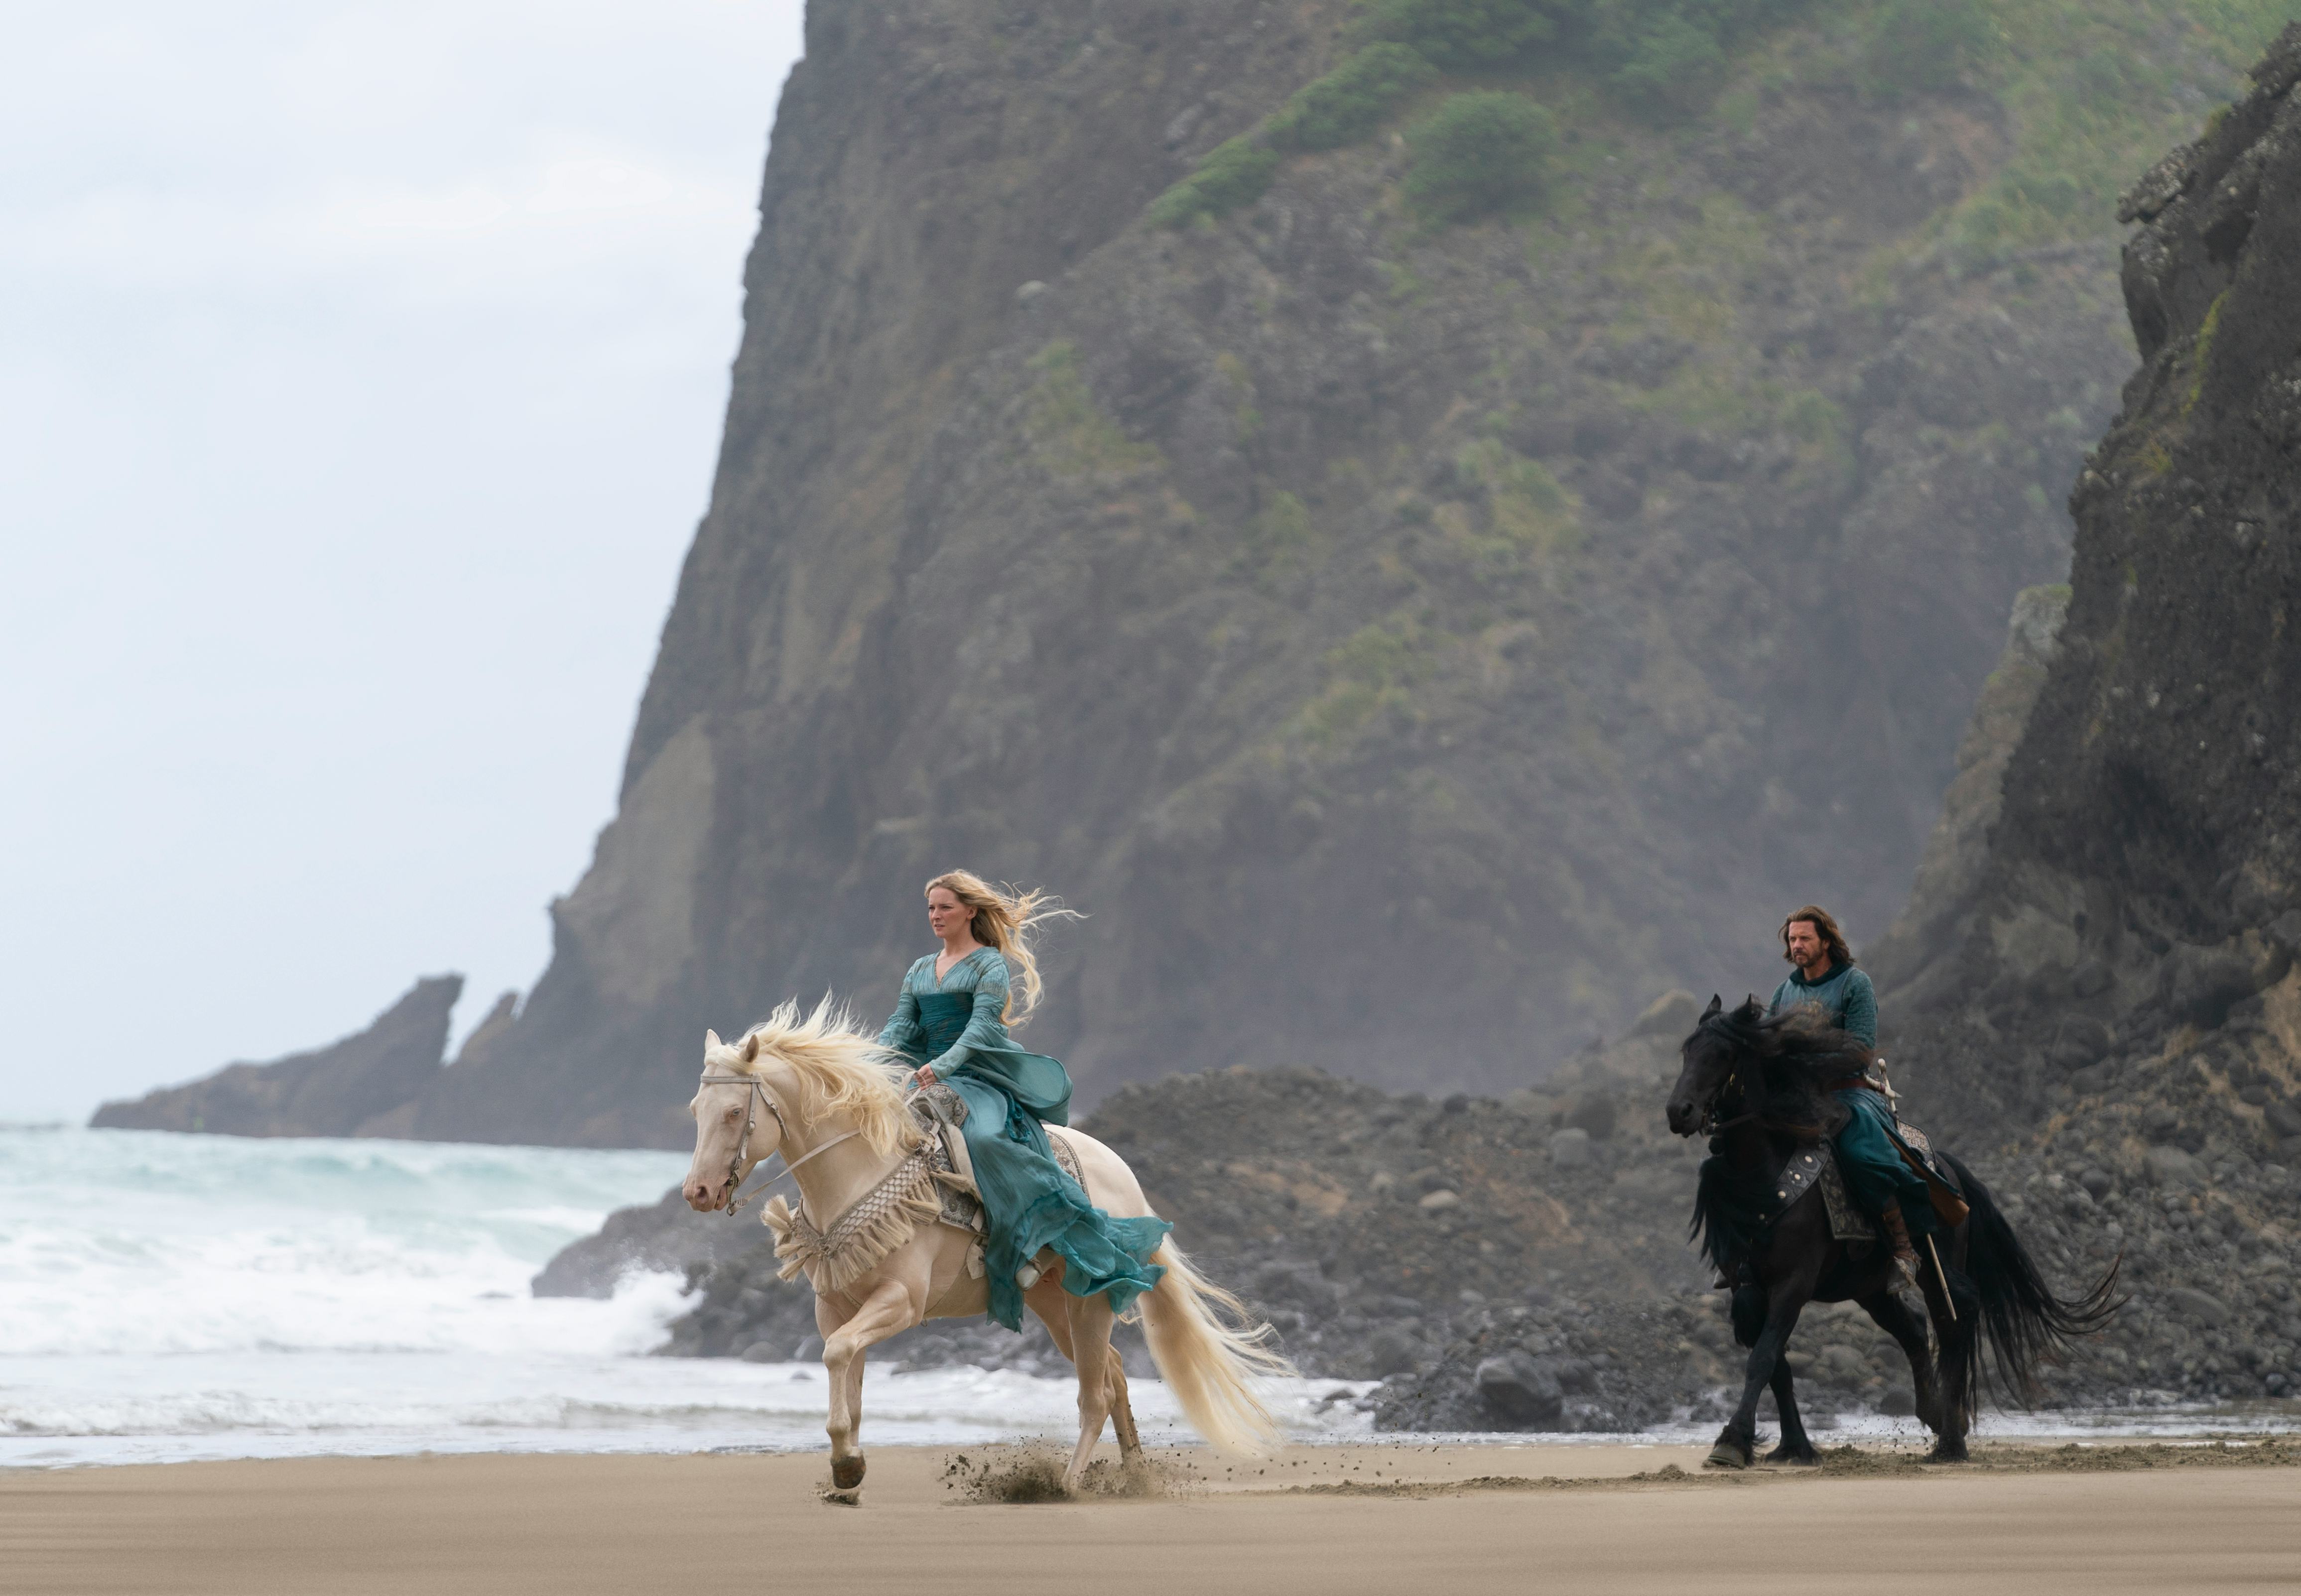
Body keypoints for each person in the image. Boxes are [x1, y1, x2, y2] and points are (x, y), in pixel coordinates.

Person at [876, 870, 1170, 1333]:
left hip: (977, 1076)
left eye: (945, 907)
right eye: (931, 907)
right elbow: (900, 1025)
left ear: (970, 911)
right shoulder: (919, 969)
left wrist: (944, 1066)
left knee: (988, 1139)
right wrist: (866, 1062)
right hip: (924, 1078)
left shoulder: (988, 965)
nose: (936, 915)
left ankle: (1030, 1244)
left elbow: (980, 1029)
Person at [1766, 905, 1929, 1293]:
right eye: (1792, 939)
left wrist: (1804, 1061)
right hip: (1796, 1097)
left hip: (1848, 1092)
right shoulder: (1784, 991)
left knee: (1861, 1151)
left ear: (1826, 940)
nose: (1798, 944)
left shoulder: (1855, 984)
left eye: (1805, 937)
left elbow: (1859, 1051)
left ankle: (1904, 1249)